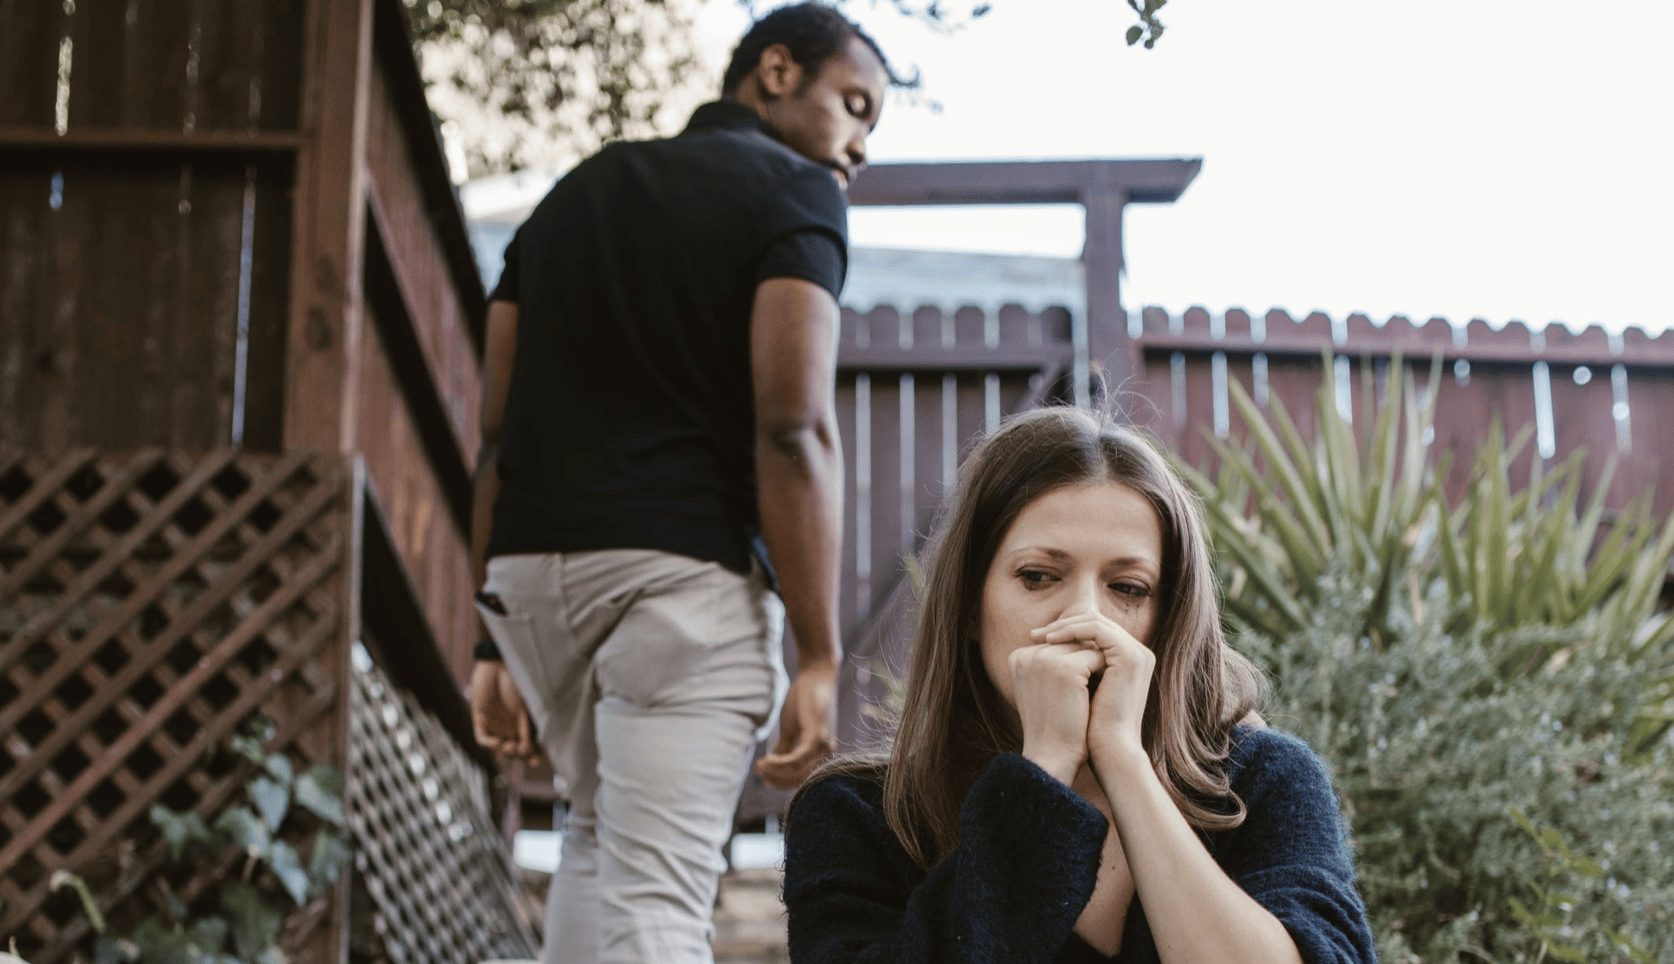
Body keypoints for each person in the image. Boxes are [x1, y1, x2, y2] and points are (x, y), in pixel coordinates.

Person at [465, 5, 894, 962]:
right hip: (680, 590)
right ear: (776, 71)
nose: (858, 146)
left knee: (596, 838)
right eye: (853, 105)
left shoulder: (572, 195)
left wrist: (483, 630)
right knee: (658, 897)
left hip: (535, 585)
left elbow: (495, 435)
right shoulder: (797, 194)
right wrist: (821, 656)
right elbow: (791, 428)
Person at [783, 407, 1376, 963]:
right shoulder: (857, 816)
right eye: (1039, 577)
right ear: (969, 605)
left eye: (1128, 588)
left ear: (1167, 619)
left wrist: (1122, 760)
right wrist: (1042, 775)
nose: (1084, 620)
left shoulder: (1264, 782)